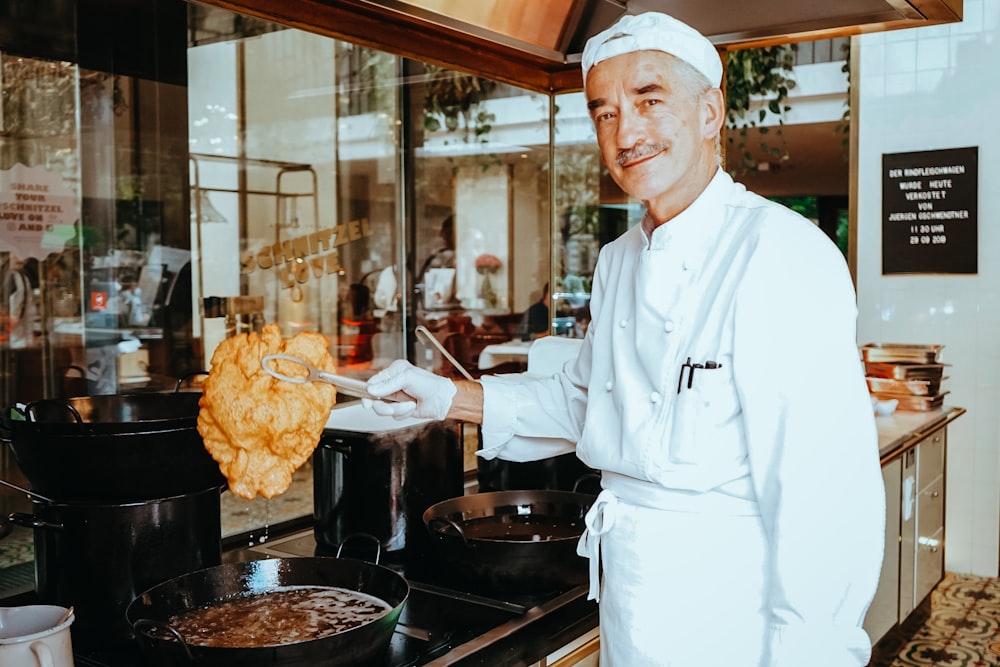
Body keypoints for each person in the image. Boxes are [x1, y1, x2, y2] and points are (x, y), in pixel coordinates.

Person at [364, 11, 884, 667]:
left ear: (709, 111)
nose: (625, 132)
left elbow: (826, 506)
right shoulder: (617, 261)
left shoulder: (780, 254)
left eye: (648, 100)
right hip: (631, 608)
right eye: (604, 112)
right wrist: (442, 397)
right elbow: (589, 402)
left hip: (735, 619)